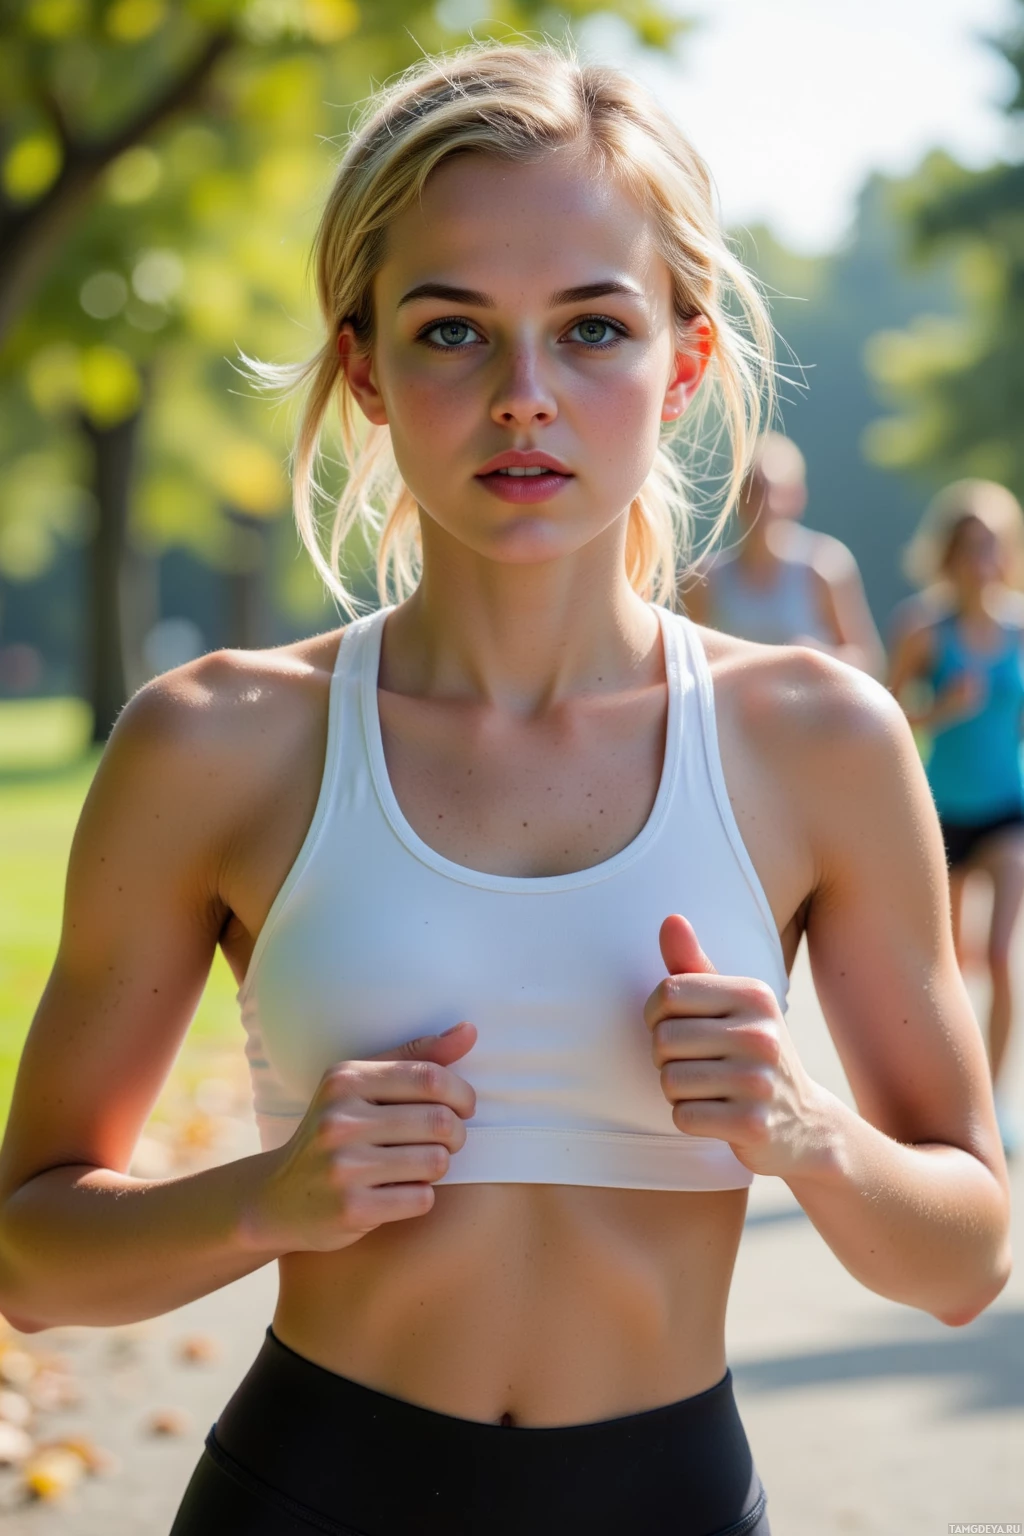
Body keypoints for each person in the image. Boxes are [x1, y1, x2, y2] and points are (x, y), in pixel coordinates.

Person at [0, 43, 1010, 1536]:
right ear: (365, 366)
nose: (525, 398)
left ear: (683, 361)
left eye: (592, 328)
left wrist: (809, 1135)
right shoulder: (214, 741)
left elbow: (967, 1258)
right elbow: (29, 1259)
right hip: (308, 1497)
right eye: (454, 332)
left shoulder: (820, 740)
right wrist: (265, 1200)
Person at [889, 479, 1024, 1159]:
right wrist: (941, 712)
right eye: (970, 547)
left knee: (1001, 955)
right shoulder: (924, 629)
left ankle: (995, 1105)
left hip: (1009, 813)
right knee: (945, 968)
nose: (983, 559)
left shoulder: (1022, 629)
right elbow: (880, 718)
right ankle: (950, 1103)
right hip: (941, 817)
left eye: (993, 546)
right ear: (949, 555)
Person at [685, 431, 885, 675]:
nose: (758, 503)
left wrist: (814, 657)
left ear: (797, 496)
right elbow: (689, 664)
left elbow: (869, 661)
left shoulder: (824, 566)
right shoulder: (706, 579)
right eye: (749, 489)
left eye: (768, 490)